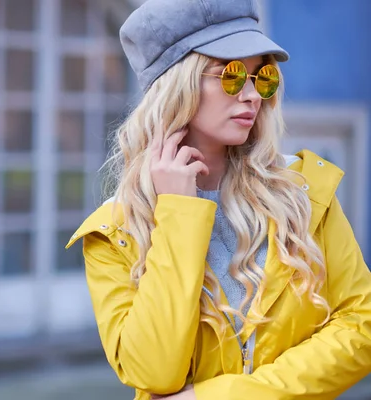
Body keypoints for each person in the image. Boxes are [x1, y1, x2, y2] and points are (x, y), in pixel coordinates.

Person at [65, 0, 371, 399]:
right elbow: (155, 371)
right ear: (178, 84)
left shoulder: (305, 194)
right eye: (231, 76)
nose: (251, 96)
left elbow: (361, 325)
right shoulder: (115, 233)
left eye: (262, 76)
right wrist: (178, 212)